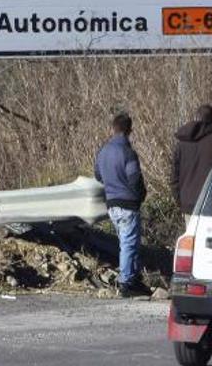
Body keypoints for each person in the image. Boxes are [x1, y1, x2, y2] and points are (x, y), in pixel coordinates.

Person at [94, 111, 148, 298]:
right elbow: (134, 179)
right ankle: (126, 282)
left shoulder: (103, 151)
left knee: (126, 243)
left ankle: (132, 278)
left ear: (113, 129)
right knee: (129, 244)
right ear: (129, 130)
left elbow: (98, 175)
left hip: (111, 204)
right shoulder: (127, 152)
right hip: (127, 204)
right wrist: (141, 195)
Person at [171, 105, 212, 224]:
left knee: (192, 240)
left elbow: (174, 177)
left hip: (188, 203)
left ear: (196, 118)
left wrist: (180, 200)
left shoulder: (182, 144)